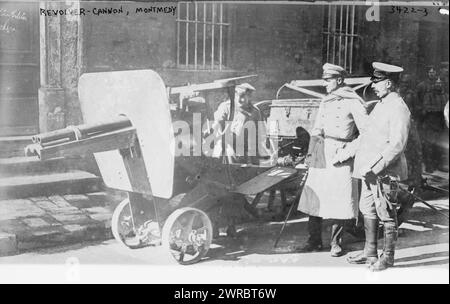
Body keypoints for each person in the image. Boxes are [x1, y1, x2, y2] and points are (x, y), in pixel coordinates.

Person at [340, 62, 410, 271]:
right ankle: (370, 252)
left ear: (388, 83)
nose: (373, 86)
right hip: (369, 171)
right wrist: (343, 154)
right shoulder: (381, 104)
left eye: (377, 82)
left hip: (384, 172)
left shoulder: (398, 107)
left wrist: (376, 168)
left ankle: (387, 258)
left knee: (387, 214)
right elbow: (366, 137)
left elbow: (397, 144)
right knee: (367, 209)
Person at [296, 63, 368, 257]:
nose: (324, 83)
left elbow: (366, 133)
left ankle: (336, 243)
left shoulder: (354, 101)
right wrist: (311, 156)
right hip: (323, 152)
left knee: (340, 201)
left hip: (342, 154)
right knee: (314, 198)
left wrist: (348, 152)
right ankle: (314, 241)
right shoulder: (325, 101)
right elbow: (317, 130)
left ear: (338, 80)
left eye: (327, 80)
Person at [210, 83, 266, 164]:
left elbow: (259, 134)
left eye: (243, 96)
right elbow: (217, 124)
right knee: (228, 153)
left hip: (246, 147)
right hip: (227, 145)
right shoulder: (226, 107)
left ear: (249, 97)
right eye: (237, 95)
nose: (239, 99)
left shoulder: (255, 112)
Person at [417, 66, 447, 172]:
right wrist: (439, 110)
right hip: (430, 124)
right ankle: (429, 166)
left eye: (440, 83)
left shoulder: (445, 96)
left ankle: (438, 165)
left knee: (439, 147)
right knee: (429, 145)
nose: (438, 85)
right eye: (437, 83)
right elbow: (426, 108)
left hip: (441, 124)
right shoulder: (429, 95)